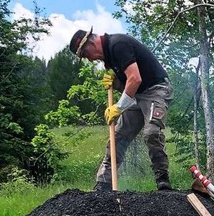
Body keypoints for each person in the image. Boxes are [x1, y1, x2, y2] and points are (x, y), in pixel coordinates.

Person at [69, 27, 174, 191]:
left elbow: (135, 78)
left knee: (152, 132)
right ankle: (103, 183)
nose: (88, 59)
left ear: (90, 42)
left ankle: (163, 181)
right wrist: (116, 83)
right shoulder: (108, 59)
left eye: (84, 54)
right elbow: (128, 85)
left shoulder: (118, 44)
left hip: (156, 90)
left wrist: (118, 107)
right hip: (136, 96)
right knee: (118, 137)